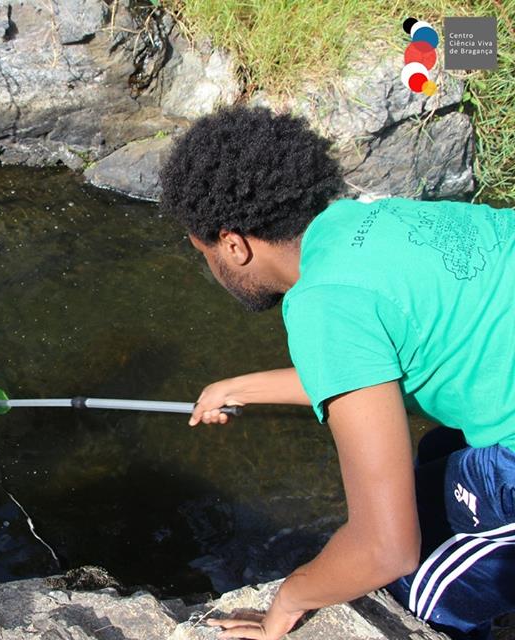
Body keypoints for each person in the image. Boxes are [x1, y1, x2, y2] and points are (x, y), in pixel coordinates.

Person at [159, 105, 514, 640]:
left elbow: (386, 548)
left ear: (233, 244)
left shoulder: (321, 302)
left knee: (416, 589)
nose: (212, 268)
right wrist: (242, 387)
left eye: (205, 253)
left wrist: (286, 603)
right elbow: (369, 365)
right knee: (439, 454)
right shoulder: (370, 219)